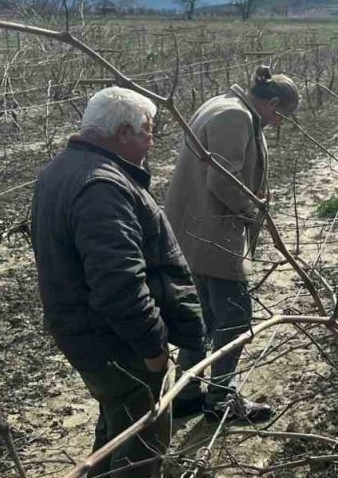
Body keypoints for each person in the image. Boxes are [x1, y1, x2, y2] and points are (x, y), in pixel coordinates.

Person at [32, 87, 205, 478]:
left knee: (117, 420)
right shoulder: (102, 188)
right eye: (148, 130)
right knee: (143, 434)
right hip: (114, 340)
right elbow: (119, 284)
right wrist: (153, 348)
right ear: (124, 133)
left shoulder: (63, 169)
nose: (153, 138)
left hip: (86, 332)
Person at [164, 66, 298, 422]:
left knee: (204, 320)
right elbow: (223, 181)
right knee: (236, 321)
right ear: (271, 103)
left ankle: (188, 394)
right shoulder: (236, 116)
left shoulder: (222, 104)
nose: (279, 124)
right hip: (215, 238)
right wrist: (255, 210)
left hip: (194, 234)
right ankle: (221, 400)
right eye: (280, 116)